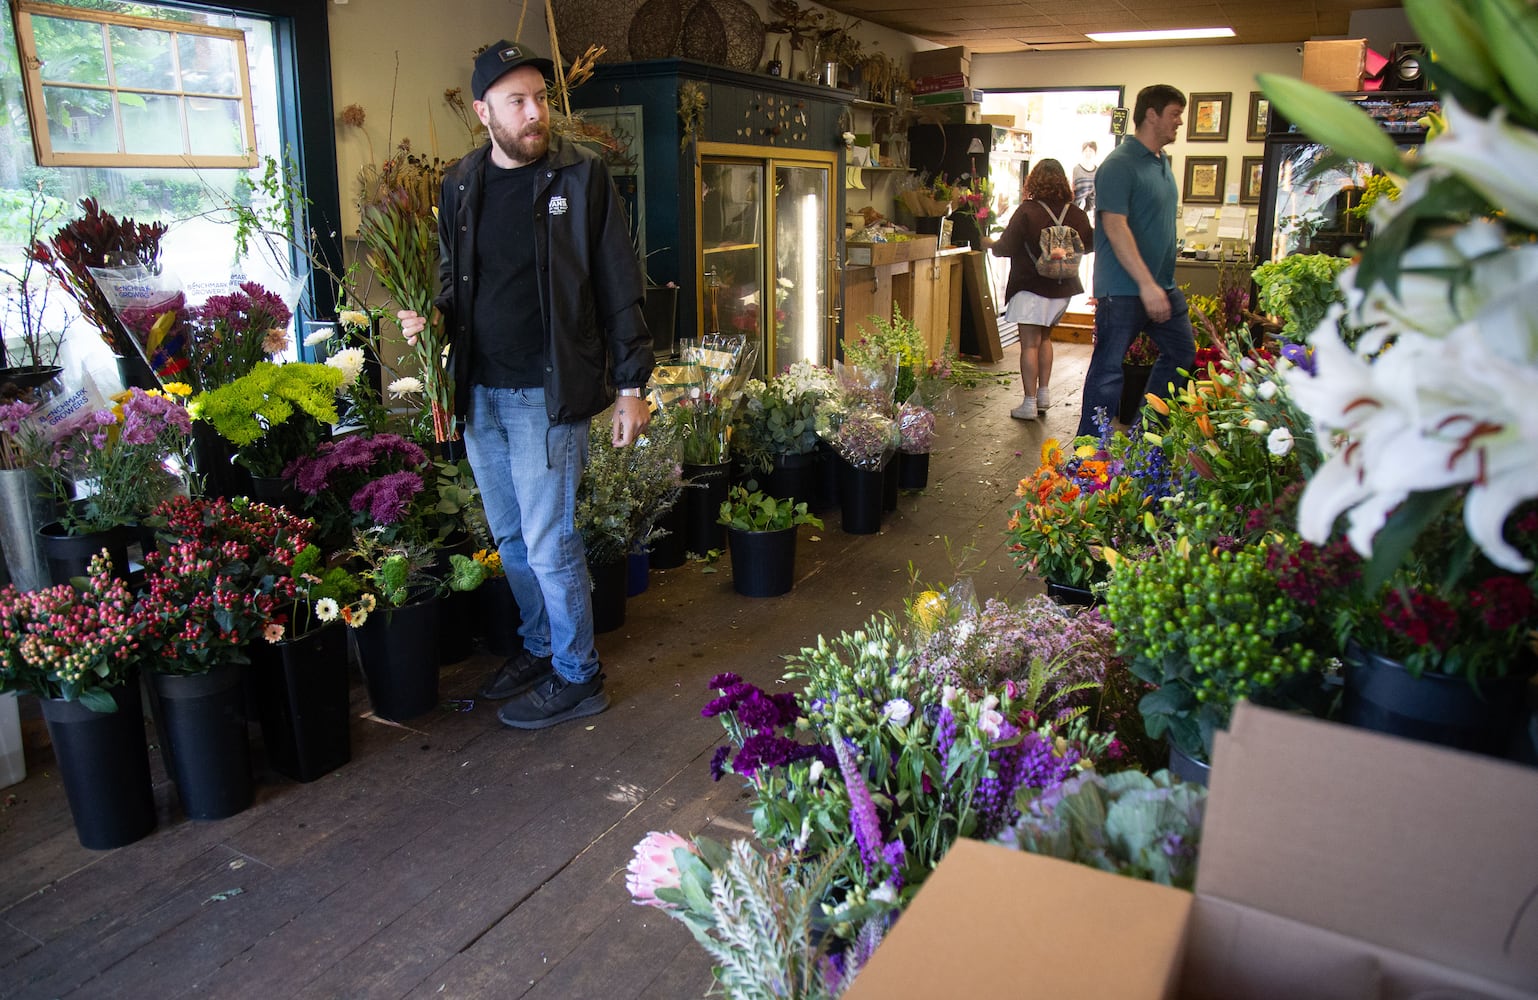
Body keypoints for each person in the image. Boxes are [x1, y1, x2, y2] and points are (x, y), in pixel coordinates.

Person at [398, 39, 653, 730]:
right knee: (510, 539)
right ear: (485, 112)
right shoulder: (460, 183)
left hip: (548, 391)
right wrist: (435, 318)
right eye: (519, 101)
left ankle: (580, 672)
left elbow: (620, 284)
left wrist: (633, 384)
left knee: (550, 542)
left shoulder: (583, 178)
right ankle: (542, 647)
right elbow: (458, 280)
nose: (536, 112)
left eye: (540, 97)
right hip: (479, 388)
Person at [1074, 85, 1196, 437]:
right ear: (1152, 115)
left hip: (1162, 286)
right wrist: (1146, 285)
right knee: (1108, 371)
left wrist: (1156, 285)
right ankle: (1087, 454)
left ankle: (1145, 434)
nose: (1180, 122)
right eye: (1174, 114)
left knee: (1182, 352)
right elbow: (1114, 226)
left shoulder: (1162, 163)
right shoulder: (1119, 164)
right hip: (1125, 289)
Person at [990, 158, 1093, 421]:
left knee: (1029, 345)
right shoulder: (1076, 214)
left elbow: (1007, 246)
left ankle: (1028, 402)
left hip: (1030, 286)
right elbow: (1090, 244)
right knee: (1045, 339)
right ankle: (1044, 394)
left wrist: (989, 243)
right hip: (1062, 288)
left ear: (1033, 181)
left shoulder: (1027, 211)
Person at [1071, 141, 1098, 213]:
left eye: (1091, 151)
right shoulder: (1076, 169)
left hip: (1090, 209)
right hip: (1075, 207)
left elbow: (1095, 194)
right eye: (1086, 151)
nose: (1088, 153)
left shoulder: (1097, 171)